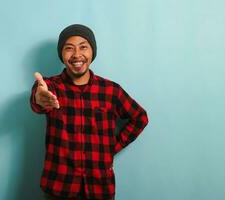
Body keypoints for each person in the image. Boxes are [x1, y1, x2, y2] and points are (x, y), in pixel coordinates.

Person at [30, 24, 149, 200]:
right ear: (61, 55)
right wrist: (40, 98)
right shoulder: (50, 87)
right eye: (69, 48)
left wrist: (111, 148)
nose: (77, 54)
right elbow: (37, 102)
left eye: (83, 47)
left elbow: (140, 117)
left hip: (99, 188)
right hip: (59, 186)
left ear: (92, 51)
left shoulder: (111, 91)